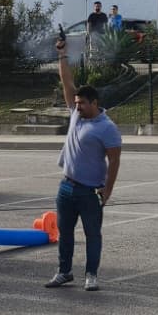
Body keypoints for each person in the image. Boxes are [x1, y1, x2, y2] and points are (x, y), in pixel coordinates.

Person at [46, 34, 122, 291]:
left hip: (90, 191)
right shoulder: (76, 115)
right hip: (66, 187)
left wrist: (107, 191)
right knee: (65, 233)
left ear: (95, 103)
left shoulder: (107, 128)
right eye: (75, 103)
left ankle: (91, 274)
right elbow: (67, 82)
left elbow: (114, 161)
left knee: (92, 235)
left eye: (81, 104)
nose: (76, 108)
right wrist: (62, 54)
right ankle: (64, 271)